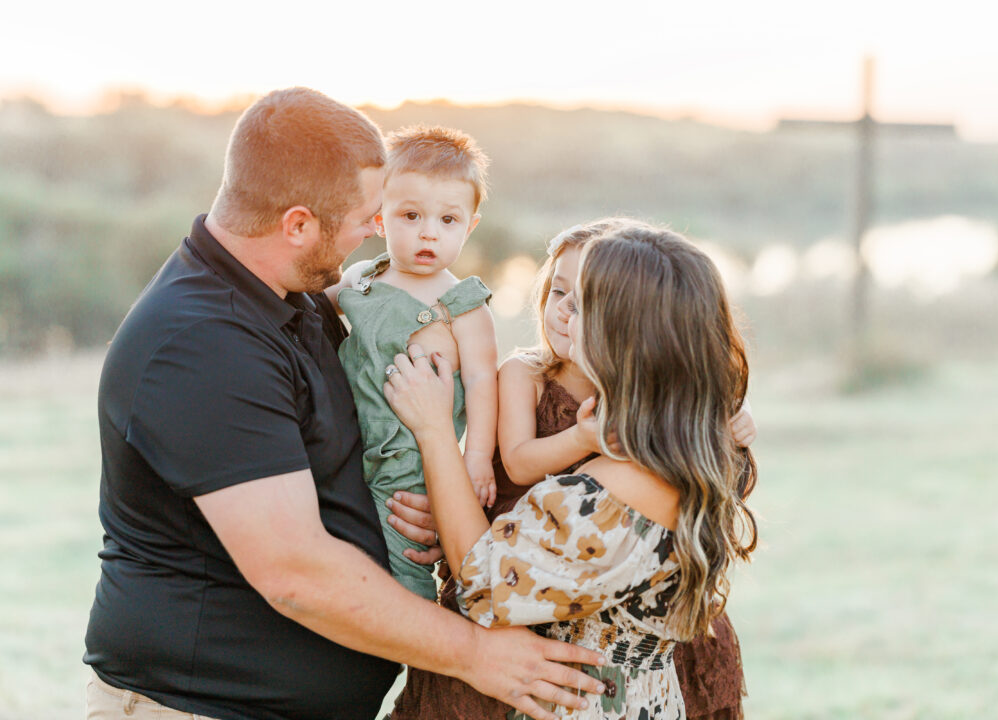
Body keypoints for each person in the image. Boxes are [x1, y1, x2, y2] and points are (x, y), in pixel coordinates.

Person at [83, 87, 604, 720]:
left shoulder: (290, 298)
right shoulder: (201, 344)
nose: (372, 232)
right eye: (366, 216)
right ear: (298, 224)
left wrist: (698, 411)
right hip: (197, 708)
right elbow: (296, 573)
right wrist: (478, 655)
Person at [385, 221, 759, 718]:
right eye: (563, 294)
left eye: (586, 303)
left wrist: (434, 431)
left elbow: (483, 580)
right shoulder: (698, 442)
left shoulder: (614, 496)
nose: (566, 313)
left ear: (628, 333)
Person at [326, 125, 497, 600]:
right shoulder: (363, 277)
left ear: (470, 225)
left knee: (404, 564)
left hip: (409, 467)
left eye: (448, 220)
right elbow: (307, 308)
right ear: (378, 217)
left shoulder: (464, 305)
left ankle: (415, 652)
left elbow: (484, 382)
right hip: (345, 445)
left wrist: (476, 458)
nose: (429, 232)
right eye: (411, 215)